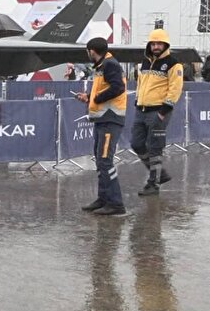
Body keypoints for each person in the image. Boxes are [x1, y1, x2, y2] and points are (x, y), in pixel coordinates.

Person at [75, 38, 128, 216]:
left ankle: (116, 204)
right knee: (100, 161)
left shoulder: (110, 65)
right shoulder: (102, 66)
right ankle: (103, 198)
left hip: (110, 119)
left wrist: (96, 99)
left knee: (105, 161)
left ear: (91, 51)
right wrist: (89, 96)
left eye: (87, 51)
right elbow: (105, 89)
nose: (87, 54)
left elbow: (118, 88)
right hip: (102, 119)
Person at [131, 29, 183, 196]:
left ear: (165, 44)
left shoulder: (174, 64)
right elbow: (140, 83)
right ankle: (161, 174)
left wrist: (163, 111)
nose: (156, 46)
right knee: (136, 143)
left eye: (159, 43)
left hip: (158, 111)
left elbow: (175, 89)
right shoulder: (145, 62)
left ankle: (153, 183)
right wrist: (137, 100)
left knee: (155, 148)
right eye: (153, 43)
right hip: (141, 109)